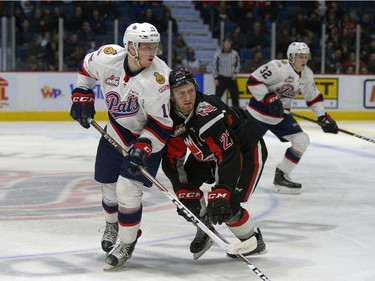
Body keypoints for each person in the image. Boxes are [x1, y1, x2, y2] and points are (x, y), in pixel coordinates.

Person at [69, 22, 173, 270]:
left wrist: (143, 147)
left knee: (127, 190)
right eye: (146, 46)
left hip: (147, 137)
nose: (152, 51)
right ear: (130, 47)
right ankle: (111, 224)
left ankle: (127, 242)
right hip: (115, 130)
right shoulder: (108, 58)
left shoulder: (159, 79)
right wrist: (81, 95)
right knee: (108, 186)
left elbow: (162, 124)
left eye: (154, 46)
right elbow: (86, 67)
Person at [162, 67, 268, 259]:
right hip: (208, 151)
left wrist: (222, 191)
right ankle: (205, 228)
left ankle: (252, 241)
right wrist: (181, 189)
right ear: (171, 96)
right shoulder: (171, 116)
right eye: (181, 93)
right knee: (188, 192)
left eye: (190, 91)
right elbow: (172, 157)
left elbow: (229, 154)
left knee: (227, 204)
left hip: (246, 151)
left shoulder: (207, 115)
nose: (187, 98)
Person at [246, 42, 339, 195]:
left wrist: (322, 117)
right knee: (244, 147)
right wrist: (268, 98)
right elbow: (254, 81)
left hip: (281, 116)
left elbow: (313, 96)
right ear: (291, 57)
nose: (304, 60)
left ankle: (281, 176)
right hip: (258, 115)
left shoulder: (307, 74)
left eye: (306, 57)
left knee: (302, 140)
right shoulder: (278, 67)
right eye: (300, 57)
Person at [212, 38, 241, 107]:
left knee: (235, 96)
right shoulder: (218, 54)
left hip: (232, 78)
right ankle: (214, 111)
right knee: (217, 97)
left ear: (231, 45)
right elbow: (214, 66)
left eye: (229, 43)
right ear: (223, 44)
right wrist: (215, 77)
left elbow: (238, 64)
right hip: (221, 78)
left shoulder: (235, 53)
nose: (227, 45)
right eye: (226, 43)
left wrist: (235, 72)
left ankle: (237, 112)